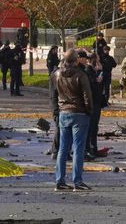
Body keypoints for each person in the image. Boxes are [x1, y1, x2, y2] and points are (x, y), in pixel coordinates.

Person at [50, 49, 93, 191]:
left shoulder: (56, 74)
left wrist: (57, 111)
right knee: (78, 148)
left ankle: (59, 180)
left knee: (63, 148)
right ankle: (77, 181)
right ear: (76, 60)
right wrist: (89, 111)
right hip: (79, 113)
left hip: (64, 112)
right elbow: (87, 96)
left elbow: (54, 95)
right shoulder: (81, 75)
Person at [84, 53, 105, 159]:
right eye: (97, 60)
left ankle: (93, 148)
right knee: (91, 127)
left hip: (96, 102)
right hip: (93, 103)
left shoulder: (92, 71)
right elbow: (93, 86)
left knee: (94, 127)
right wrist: (99, 75)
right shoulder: (88, 71)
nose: (99, 62)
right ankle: (90, 149)